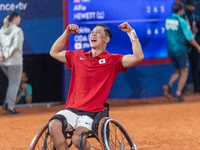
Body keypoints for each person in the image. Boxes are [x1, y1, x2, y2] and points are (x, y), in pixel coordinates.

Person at [48, 22, 143, 150]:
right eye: (92, 32)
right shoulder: (77, 56)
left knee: (77, 139)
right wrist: (67, 33)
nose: (93, 34)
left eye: (98, 32)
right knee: (53, 125)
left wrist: (131, 33)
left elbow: (138, 57)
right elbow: (54, 52)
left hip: (92, 113)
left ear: (106, 39)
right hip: (71, 109)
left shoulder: (113, 60)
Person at [163, 2, 200, 102]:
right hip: (180, 49)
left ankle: (168, 85)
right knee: (184, 72)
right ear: (180, 10)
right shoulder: (182, 21)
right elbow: (190, 37)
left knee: (178, 71)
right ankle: (178, 94)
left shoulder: (167, 20)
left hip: (170, 49)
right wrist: (198, 46)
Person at [0, 10, 24, 114]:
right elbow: (16, 46)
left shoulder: (2, 30)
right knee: (14, 84)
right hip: (14, 61)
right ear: (15, 17)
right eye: (19, 17)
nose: (20, 19)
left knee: (12, 83)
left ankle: (7, 103)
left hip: (2, 61)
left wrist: (2, 55)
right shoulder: (18, 31)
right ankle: (10, 107)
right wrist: (7, 55)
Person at [183, 0, 200, 93]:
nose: (192, 8)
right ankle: (181, 90)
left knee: (194, 69)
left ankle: (197, 90)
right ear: (186, 6)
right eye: (190, 6)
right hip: (184, 47)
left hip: (194, 47)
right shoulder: (182, 18)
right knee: (183, 70)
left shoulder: (196, 18)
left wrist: (197, 31)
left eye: (194, 6)